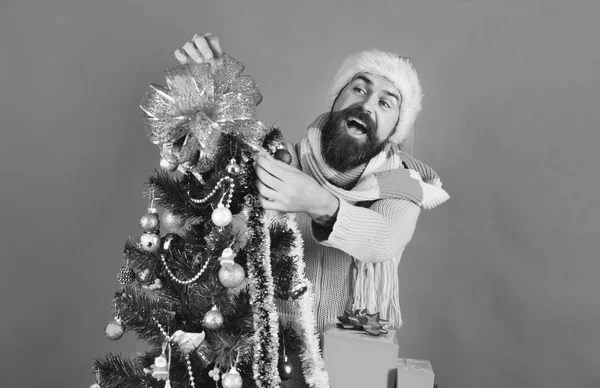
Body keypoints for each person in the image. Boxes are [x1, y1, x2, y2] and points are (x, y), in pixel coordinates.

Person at [175, 33, 449, 386]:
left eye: (386, 103)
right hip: (272, 361)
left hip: (353, 367)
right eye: (359, 89)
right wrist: (211, 87)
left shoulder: (402, 184)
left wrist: (316, 201)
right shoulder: (283, 160)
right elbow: (225, 153)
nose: (366, 105)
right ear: (337, 98)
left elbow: (383, 239)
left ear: (395, 129)